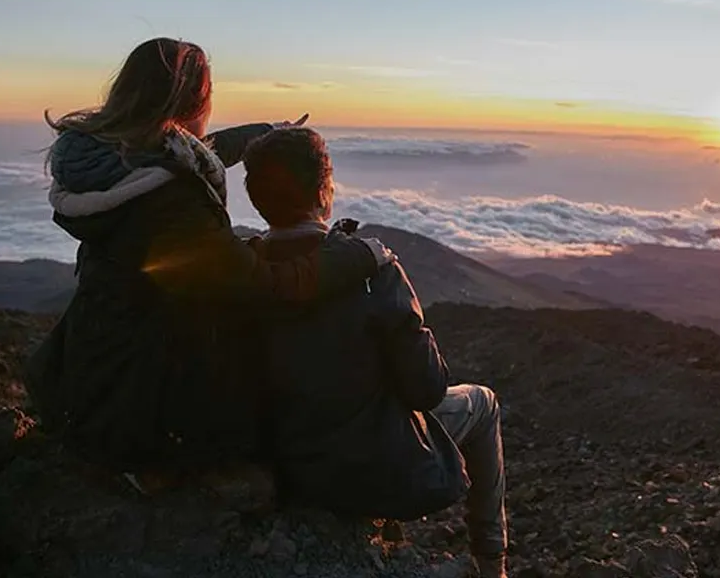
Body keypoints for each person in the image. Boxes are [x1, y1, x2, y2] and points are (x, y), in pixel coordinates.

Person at [26, 37, 392, 480]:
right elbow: (261, 287)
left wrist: (263, 133)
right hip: (146, 413)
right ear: (192, 102)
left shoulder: (102, 167)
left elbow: (183, 152)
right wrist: (357, 257)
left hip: (91, 377)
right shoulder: (173, 202)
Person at [243, 127, 508, 578]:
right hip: (370, 466)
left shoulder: (241, 272)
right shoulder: (371, 272)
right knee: (483, 404)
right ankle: (492, 564)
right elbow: (426, 389)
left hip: (282, 462)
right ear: (324, 191)